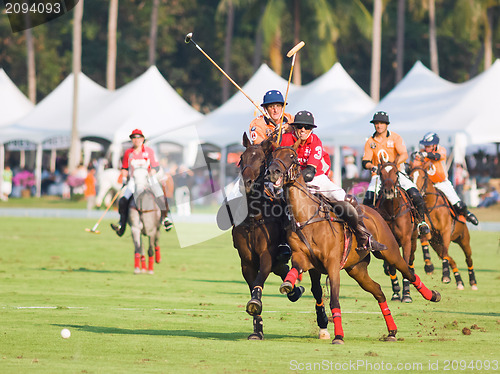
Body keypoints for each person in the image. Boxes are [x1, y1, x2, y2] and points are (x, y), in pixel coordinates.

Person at [280, 110, 386, 252]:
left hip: (316, 179)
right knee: (275, 205)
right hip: (291, 183)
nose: (303, 130)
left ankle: (364, 237)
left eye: (307, 127)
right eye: (299, 126)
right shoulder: (286, 139)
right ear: (295, 127)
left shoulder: (315, 141)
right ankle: (282, 245)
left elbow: (310, 173)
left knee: (346, 198)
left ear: (311, 129)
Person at [361, 111, 431, 235]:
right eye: (376, 123)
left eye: (382, 123)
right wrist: (372, 167)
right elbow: (365, 161)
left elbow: (404, 154)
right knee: (368, 200)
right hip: (379, 175)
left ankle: (421, 222)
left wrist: (394, 164)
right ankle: (366, 231)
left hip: (396, 172)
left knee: (415, 195)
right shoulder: (370, 142)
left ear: (387, 125)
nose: (379, 126)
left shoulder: (395, 137)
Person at [111, 129, 173, 236]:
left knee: (161, 196)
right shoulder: (128, 153)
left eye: (138, 137)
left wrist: (151, 172)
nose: (136, 140)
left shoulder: (149, 151)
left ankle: (165, 218)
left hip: (148, 179)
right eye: (134, 137)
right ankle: (122, 224)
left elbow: (156, 166)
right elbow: (124, 168)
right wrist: (125, 178)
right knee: (123, 200)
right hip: (133, 181)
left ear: (143, 139)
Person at [416, 132, 478, 225]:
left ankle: (466, 214)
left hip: (441, 183)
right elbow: (415, 166)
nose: (426, 148)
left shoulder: (441, 150)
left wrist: (425, 155)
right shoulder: (421, 152)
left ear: (434, 145)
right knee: (414, 200)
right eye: (425, 146)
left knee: (457, 203)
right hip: (426, 184)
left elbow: (437, 157)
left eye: (428, 146)